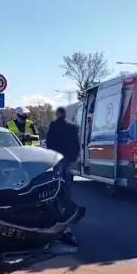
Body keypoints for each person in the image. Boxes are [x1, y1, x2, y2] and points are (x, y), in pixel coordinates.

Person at [45, 106, 81, 248]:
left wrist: (49, 154)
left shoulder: (54, 125)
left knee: (57, 177)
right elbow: (76, 143)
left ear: (58, 114)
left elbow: (49, 141)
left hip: (56, 156)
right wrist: (75, 155)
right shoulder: (72, 126)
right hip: (68, 157)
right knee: (67, 177)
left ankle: (59, 196)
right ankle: (66, 196)